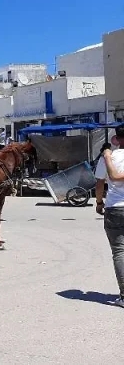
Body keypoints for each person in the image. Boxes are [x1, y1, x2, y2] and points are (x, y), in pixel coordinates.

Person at [96, 124, 124, 308]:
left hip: (114, 208)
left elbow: (99, 184)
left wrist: (99, 203)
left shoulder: (109, 158)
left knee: (119, 251)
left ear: (117, 139)